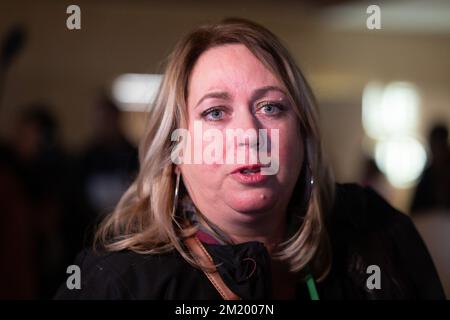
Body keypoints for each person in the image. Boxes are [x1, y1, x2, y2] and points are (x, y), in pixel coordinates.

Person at [55, 18, 445, 300]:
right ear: (175, 151)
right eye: (215, 112)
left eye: (272, 108)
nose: (249, 135)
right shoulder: (116, 284)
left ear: (304, 137)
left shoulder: (377, 233)